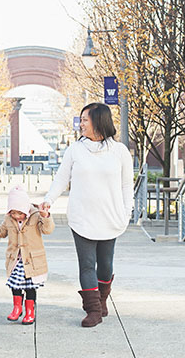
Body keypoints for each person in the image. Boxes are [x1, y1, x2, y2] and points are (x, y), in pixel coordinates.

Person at [40, 102, 134, 328]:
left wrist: (126, 212)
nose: (80, 123)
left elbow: (126, 185)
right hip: (82, 216)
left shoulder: (119, 151)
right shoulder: (75, 150)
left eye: (85, 119)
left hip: (110, 216)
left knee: (106, 264)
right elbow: (61, 178)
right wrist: (48, 200)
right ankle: (93, 310)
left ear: (99, 121)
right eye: (81, 119)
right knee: (86, 264)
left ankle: (102, 300)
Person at [0, 185, 54, 325]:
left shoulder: (36, 216)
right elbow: (1, 232)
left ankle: (30, 311)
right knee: (15, 285)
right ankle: (17, 308)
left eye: (19, 213)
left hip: (32, 260)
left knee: (30, 287)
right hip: (15, 260)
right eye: (13, 213)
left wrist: (46, 217)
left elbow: (48, 230)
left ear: (25, 210)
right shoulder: (9, 219)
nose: (16, 216)